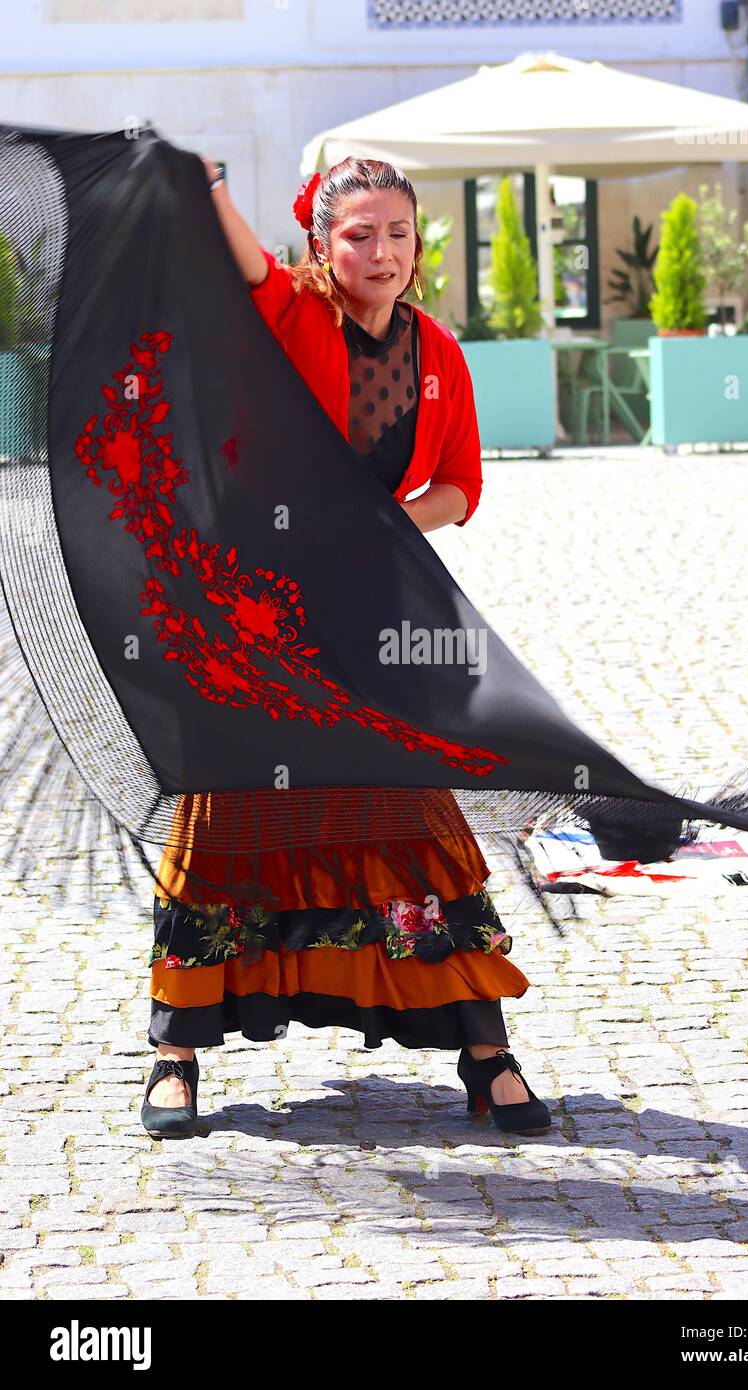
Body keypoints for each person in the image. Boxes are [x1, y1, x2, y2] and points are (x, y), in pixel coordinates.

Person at [140, 155, 551, 1139]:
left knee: (409, 815)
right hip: (258, 619)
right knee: (226, 824)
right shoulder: (290, 316)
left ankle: (485, 1049)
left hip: (371, 617)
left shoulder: (439, 353)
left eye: (398, 234)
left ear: (419, 243)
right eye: (357, 234)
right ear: (322, 246)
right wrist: (208, 191)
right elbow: (245, 269)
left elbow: (461, 483)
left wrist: (398, 522)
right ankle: (173, 1052)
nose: (381, 252)